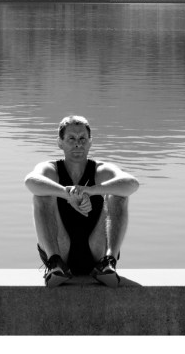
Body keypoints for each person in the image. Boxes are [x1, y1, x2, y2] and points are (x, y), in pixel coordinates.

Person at [24, 115, 139, 287]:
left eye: (82, 139)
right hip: (60, 250)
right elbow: (30, 181)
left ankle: (108, 262)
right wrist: (66, 194)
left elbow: (132, 184)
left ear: (90, 142)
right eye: (71, 138)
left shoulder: (101, 170)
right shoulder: (51, 169)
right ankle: (55, 264)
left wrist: (91, 191)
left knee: (118, 194)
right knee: (41, 194)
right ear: (60, 143)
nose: (78, 144)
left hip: (96, 251)